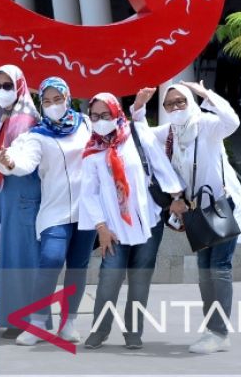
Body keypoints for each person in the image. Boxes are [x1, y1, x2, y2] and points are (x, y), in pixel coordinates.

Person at [134, 81, 241, 354]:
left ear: (190, 102)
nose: (176, 107)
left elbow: (232, 121)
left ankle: (219, 332)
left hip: (220, 204)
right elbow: (143, 137)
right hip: (196, 210)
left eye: (180, 101)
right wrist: (138, 107)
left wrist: (205, 94)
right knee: (204, 271)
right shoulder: (170, 134)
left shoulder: (206, 125)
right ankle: (213, 329)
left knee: (219, 267)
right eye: (170, 104)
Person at [79, 90, 183, 350]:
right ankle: (100, 330)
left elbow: (159, 166)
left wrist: (176, 196)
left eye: (106, 114)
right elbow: (89, 195)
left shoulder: (135, 137)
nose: (101, 120)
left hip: (149, 224)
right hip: (114, 229)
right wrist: (101, 228)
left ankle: (134, 332)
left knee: (140, 279)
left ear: (116, 113)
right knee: (109, 280)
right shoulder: (92, 151)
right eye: (95, 115)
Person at [0, 76, 94, 346]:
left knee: (78, 267)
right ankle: (37, 322)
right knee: (50, 260)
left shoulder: (85, 123)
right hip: (56, 211)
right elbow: (24, 163)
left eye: (58, 99)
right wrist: (7, 161)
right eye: (47, 101)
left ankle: (69, 322)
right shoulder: (37, 135)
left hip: (85, 211)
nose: (53, 105)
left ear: (68, 97)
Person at [0, 64, 41, 335]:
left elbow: (19, 158)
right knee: (9, 256)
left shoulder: (25, 118)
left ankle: (28, 320)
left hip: (22, 191)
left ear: (20, 86)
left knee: (22, 256)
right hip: (6, 193)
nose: (2, 91)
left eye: (8, 86)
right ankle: (15, 319)